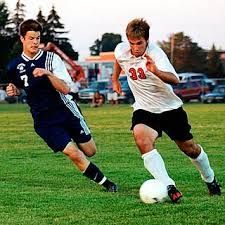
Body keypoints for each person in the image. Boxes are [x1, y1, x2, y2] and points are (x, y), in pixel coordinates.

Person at [112, 18, 221, 202]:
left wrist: (155, 71)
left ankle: (210, 179)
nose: (136, 47)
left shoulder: (156, 55)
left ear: (147, 40)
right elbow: (119, 61)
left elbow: (175, 79)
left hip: (169, 109)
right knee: (141, 138)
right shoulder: (122, 50)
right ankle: (168, 185)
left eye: (139, 43)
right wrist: (115, 80)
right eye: (132, 43)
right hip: (144, 108)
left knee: (190, 149)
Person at [6, 19, 117, 192]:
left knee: (90, 151)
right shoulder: (14, 66)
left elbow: (65, 89)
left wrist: (48, 74)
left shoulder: (52, 59)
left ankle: (78, 140)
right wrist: (14, 91)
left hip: (65, 110)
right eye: (31, 38)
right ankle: (106, 183)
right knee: (73, 153)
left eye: (37, 38)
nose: (35, 42)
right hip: (44, 120)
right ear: (22, 39)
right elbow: (20, 88)